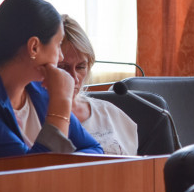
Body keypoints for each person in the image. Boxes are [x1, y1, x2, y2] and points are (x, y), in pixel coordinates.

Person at [0, 0, 102, 176]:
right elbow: (30, 176)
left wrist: (66, 168)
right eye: (58, 45)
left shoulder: (40, 90)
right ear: (34, 47)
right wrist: (61, 102)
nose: (61, 57)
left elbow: (94, 150)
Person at [59, 14, 138, 155]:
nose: (74, 78)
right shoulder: (32, 115)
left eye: (80, 67)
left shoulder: (110, 114)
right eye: (63, 67)